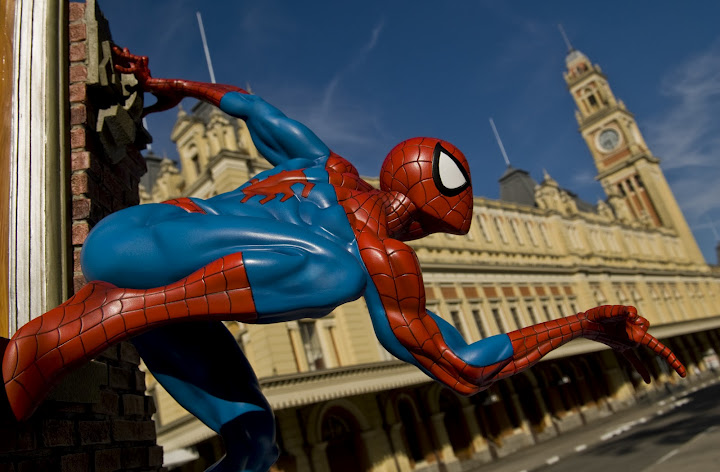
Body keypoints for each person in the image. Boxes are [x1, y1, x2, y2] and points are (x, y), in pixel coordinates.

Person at [2, 47, 686, 472]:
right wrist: (583, 323)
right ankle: (68, 336)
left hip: (142, 250)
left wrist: (173, 84)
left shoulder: (321, 161)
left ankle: (105, 323)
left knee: (256, 442)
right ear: (426, 217)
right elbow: (466, 368)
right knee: (337, 269)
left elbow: (250, 106)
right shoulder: (380, 257)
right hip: (140, 263)